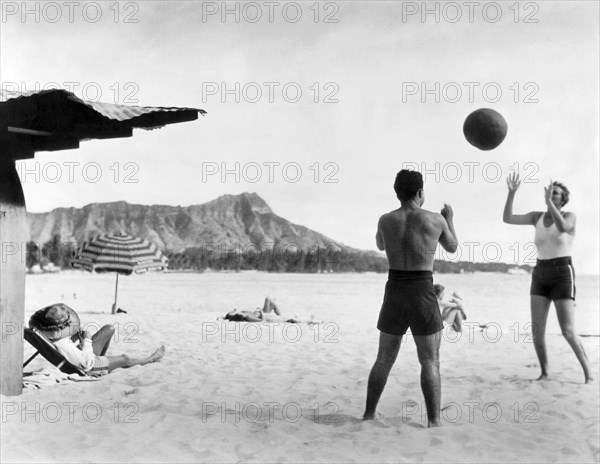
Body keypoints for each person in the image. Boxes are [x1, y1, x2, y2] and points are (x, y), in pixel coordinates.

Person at [363, 170, 458, 427]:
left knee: (384, 358)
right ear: (419, 192)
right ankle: (434, 421)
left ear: (397, 193)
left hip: (394, 289)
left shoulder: (386, 220)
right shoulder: (435, 220)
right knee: (430, 360)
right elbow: (452, 247)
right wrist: (450, 220)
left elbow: (380, 245)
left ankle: (369, 414)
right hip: (421, 290)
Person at [503, 173, 592, 383]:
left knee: (568, 331)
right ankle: (544, 372)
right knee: (537, 331)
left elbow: (561, 227)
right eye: (550, 192)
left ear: (563, 199)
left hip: (563, 273)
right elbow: (508, 218)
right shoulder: (537, 217)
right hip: (540, 273)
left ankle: (589, 375)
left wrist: (548, 203)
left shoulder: (570, 216)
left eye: (556, 193)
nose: (552, 195)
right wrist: (511, 193)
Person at [29, 303, 165, 376]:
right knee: (125, 358)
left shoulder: (52, 335)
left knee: (108, 329)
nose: (58, 310)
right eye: (56, 313)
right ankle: (150, 360)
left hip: (85, 357)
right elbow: (86, 365)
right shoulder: (62, 342)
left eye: (61, 312)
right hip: (90, 367)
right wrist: (87, 341)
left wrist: (78, 339)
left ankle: (107, 364)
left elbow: (69, 349)